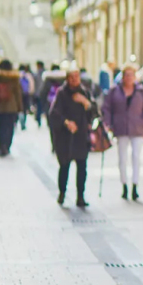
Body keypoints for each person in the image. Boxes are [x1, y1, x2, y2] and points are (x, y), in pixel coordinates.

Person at [101, 63, 143, 201]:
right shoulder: (114, 91)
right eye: (127, 75)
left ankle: (135, 185)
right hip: (121, 129)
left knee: (136, 157)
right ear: (123, 77)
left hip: (137, 129)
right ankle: (124, 184)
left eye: (131, 75)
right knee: (122, 158)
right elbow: (106, 108)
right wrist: (108, 123)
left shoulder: (141, 92)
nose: (129, 78)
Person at [49, 66, 94, 207]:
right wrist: (66, 122)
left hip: (81, 136)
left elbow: (94, 111)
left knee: (82, 167)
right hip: (66, 137)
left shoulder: (84, 92)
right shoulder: (62, 93)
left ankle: (81, 196)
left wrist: (85, 102)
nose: (74, 80)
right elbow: (54, 113)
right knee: (64, 166)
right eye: (71, 77)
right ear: (67, 79)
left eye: (77, 77)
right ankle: (62, 192)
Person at [0, 60, 24, 156]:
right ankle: (7, 146)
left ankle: (1, 146)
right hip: (12, 106)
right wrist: (20, 107)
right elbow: (18, 93)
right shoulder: (14, 77)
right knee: (10, 127)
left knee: (1, 126)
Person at [17, 64, 35, 130]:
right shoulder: (28, 75)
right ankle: (23, 123)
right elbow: (31, 85)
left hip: (18, 94)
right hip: (26, 94)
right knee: (24, 109)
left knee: (18, 108)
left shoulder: (17, 75)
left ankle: (18, 120)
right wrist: (31, 92)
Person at [33, 61, 47, 127]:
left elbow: (34, 85)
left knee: (38, 107)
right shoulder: (46, 73)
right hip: (45, 93)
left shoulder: (36, 74)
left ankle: (38, 120)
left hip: (38, 93)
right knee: (45, 107)